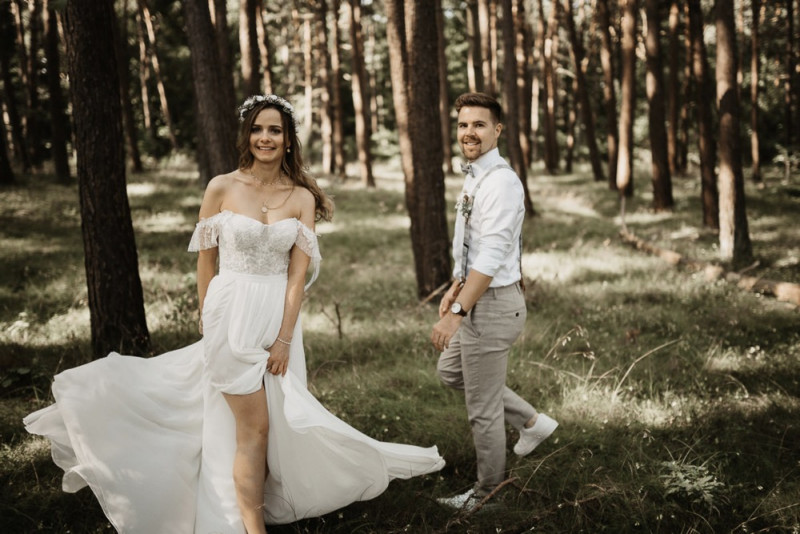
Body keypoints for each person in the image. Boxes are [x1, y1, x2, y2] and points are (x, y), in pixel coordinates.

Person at [24, 94, 444, 534]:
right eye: (258, 129)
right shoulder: (221, 187)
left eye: (275, 130)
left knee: (274, 425)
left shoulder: (300, 197)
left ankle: (227, 506)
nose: (265, 137)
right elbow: (206, 261)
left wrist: (283, 338)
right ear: (247, 136)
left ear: (287, 140)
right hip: (231, 312)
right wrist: (208, 317)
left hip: (278, 319)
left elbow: (297, 278)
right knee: (255, 428)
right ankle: (253, 529)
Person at [431, 92, 558, 511]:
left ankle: (489, 496)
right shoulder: (476, 174)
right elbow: (472, 244)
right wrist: (455, 285)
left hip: (493, 304)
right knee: (451, 372)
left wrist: (455, 313)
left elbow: (492, 257)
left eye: (479, 124)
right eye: (464, 124)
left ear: (497, 130)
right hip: (476, 295)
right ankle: (532, 422)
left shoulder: (502, 181)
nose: (470, 132)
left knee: (481, 409)